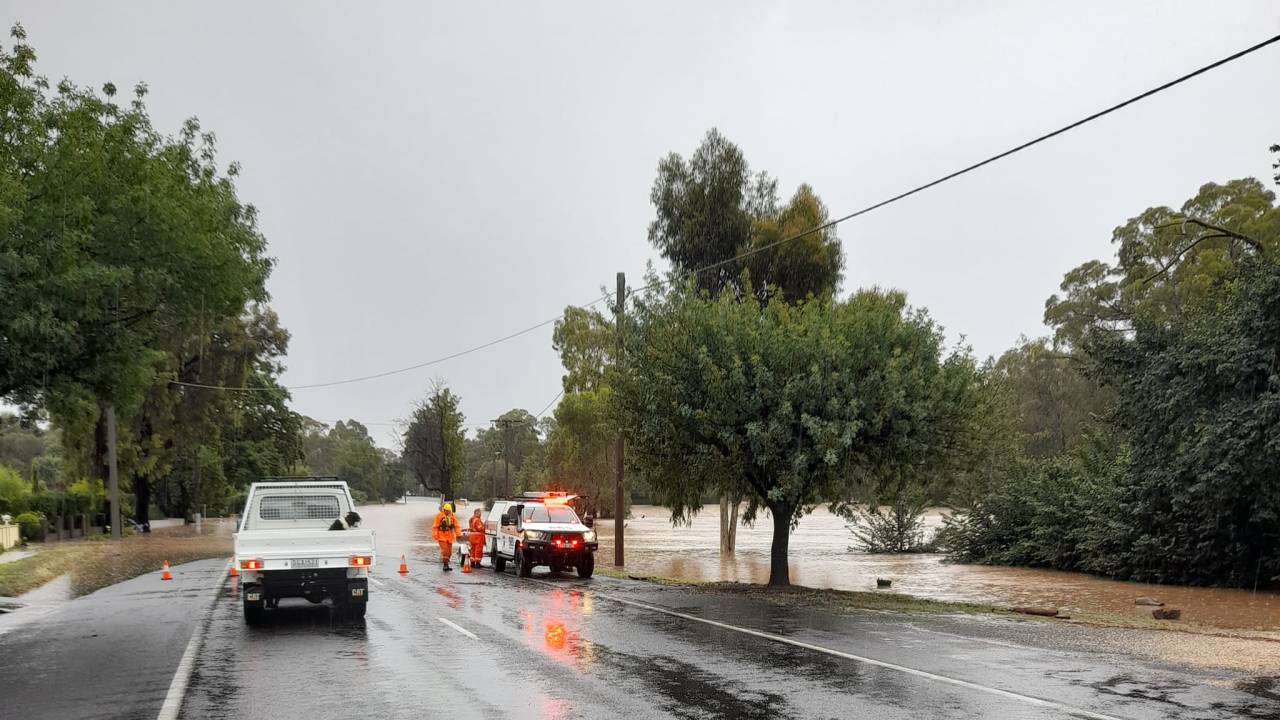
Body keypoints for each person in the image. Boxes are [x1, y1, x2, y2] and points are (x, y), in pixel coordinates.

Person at [432, 502, 461, 571]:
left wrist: (458, 534)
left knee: (450, 552)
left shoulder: (452, 516)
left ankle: (447, 564)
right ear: (444, 510)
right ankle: (445, 565)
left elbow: (457, 526)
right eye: (446, 510)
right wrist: (435, 535)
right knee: (445, 551)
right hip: (442, 536)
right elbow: (435, 526)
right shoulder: (439, 516)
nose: (448, 512)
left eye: (449, 511)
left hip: (450, 536)